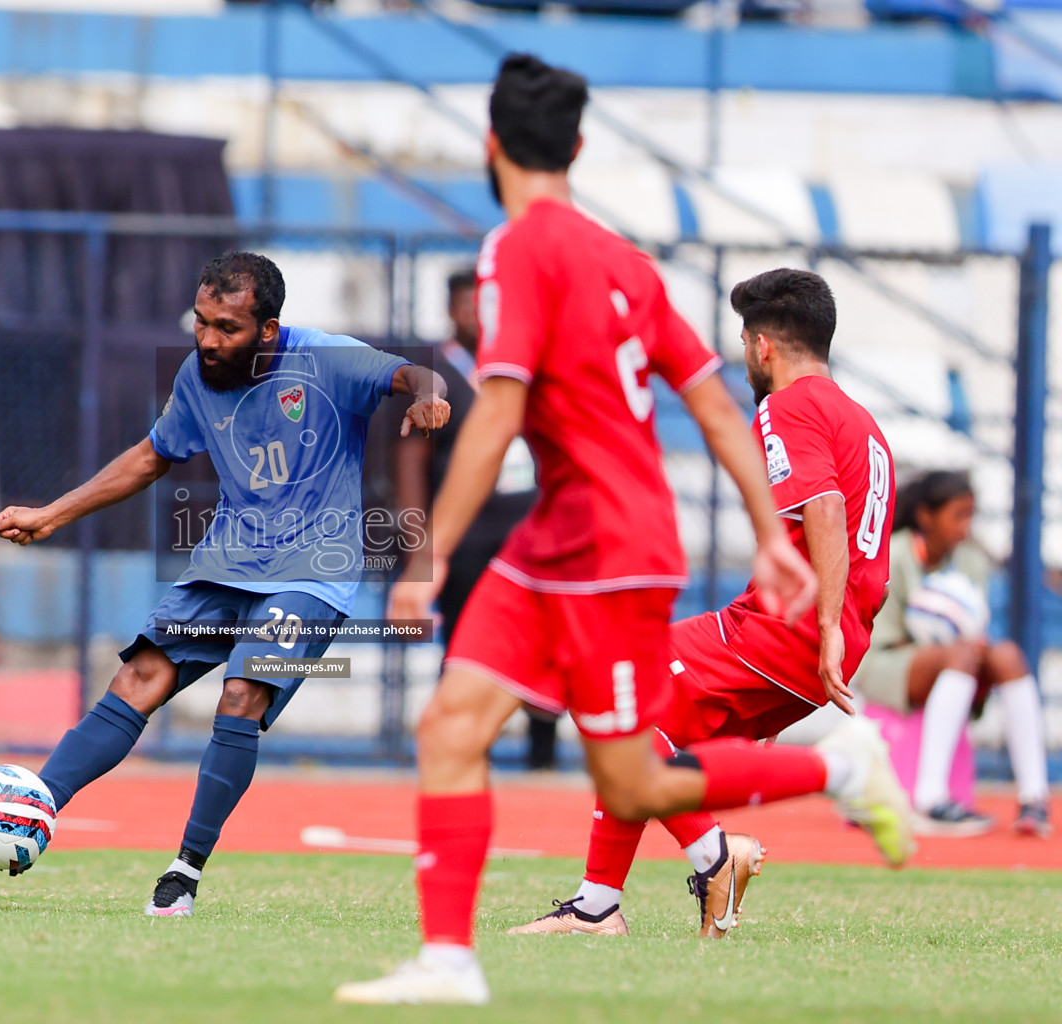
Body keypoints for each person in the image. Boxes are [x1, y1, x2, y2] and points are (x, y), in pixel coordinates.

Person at [334, 56, 910, 1006]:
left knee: (633, 771)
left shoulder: (514, 251)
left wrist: (427, 553)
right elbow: (717, 409)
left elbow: (501, 406)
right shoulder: (628, 266)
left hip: (603, 546)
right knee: (456, 727)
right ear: (581, 146)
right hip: (572, 539)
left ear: (490, 146)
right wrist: (769, 533)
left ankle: (834, 772)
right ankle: (453, 958)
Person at [0, 251, 451, 916]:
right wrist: (50, 514)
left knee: (241, 692)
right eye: (201, 321)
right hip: (228, 561)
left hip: (314, 573)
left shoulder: (329, 361)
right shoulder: (197, 375)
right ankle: (29, 814)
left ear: (267, 329)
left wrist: (430, 398)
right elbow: (150, 457)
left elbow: (414, 373)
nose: (206, 339)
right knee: (139, 676)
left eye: (225, 327)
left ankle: (184, 874)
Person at [511, 267, 903, 939]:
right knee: (649, 727)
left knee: (609, 687)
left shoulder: (789, 405)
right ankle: (597, 906)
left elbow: (826, 509)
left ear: (762, 347)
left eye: (744, 341)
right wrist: (837, 635)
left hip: (794, 630)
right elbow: (871, 550)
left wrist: (826, 628)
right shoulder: (861, 421)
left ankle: (714, 857)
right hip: (815, 635)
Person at [394, 270, 558, 768]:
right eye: (465, 304)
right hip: (464, 532)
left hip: (525, 523)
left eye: (482, 304)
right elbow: (411, 460)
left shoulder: (521, 365)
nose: (474, 314)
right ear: (449, 309)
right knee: (465, 639)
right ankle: (462, 752)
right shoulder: (435, 372)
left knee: (539, 638)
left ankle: (542, 755)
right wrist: (416, 536)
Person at [853, 470, 1052, 837]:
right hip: (887, 665)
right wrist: (949, 647)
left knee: (1007, 654)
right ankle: (931, 800)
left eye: (971, 515)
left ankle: (1034, 798)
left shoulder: (971, 561)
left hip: (951, 662)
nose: (966, 526)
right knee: (960, 655)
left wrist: (968, 644)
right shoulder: (894, 555)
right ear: (927, 516)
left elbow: (971, 626)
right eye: (958, 515)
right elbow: (880, 637)